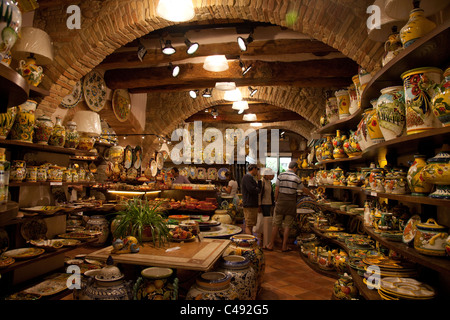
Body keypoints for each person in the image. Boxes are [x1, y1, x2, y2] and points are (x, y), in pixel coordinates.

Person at [265, 161, 316, 252]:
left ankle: (270, 244)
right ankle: (284, 246)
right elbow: (303, 189)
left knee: (276, 224)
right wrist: (312, 196)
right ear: (295, 168)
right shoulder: (296, 177)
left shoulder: (281, 175)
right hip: (291, 203)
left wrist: (276, 201)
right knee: (287, 225)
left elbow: (276, 189)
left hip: (281, 202)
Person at [254, 168, 275, 245]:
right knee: (263, 221)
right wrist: (259, 205)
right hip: (263, 204)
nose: (272, 176)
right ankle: (263, 238)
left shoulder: (269, 182)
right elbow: (259, 194)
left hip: (269, 204)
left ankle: (265, 237)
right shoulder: (262, 182)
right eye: (270, 174)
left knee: (267, 222)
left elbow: (270, 194)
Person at [240, 163, 262, 235]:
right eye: (257, 170)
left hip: (251, 204)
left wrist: (258, 185)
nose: (257, 172)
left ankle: (251, 242)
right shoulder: (247, 177)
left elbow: (258, 190)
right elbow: (253, 190)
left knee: (251, 225)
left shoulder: (250, 178)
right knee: (249, 225)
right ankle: (250, 243)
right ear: (254, 169)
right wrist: (259, 182)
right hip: (249, 204)